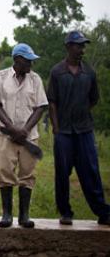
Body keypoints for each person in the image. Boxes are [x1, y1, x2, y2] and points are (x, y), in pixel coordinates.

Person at [48, 31, 110, 226]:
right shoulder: (57, 72)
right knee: (62, 174)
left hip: (84, 130)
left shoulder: (89, 72)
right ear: (68, 46)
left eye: (83, 46)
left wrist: (81, 113)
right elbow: (52, 102)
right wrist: (56, 129)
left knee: (90, 171)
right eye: (78, 45)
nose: (82, 49)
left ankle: (103, 212)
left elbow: (93, 99)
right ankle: (65, 212)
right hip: (63, 132)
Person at [0, 43, 48, 228]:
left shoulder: (35, 79)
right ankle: (7, 214)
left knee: (27, 174)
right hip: (6, 136)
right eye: (27, 60)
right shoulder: (1, 77)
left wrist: (25, 130)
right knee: (5, 172)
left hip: (29, 137)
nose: (31, 64)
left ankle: (24, 215)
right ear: (17, 60)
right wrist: (12, 128)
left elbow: (41, 107)